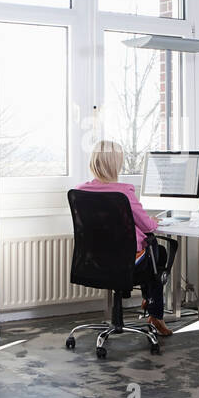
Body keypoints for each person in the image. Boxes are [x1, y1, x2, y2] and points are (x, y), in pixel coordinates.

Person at [77, 140, 172, 338]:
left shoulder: (80, 191)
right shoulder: (123, 192)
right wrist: (153, 221)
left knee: (153, 255)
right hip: (126, 262)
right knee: (158, 252)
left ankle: (150, 302)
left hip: (93, 262)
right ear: (116, 164)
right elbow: (147, 226)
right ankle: (155, 312)